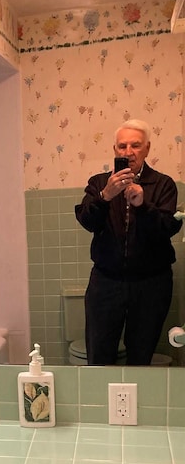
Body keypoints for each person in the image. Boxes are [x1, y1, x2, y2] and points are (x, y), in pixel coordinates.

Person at [75, 119, 181, 365]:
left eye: (135, 145)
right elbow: (87, 221)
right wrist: (105, 197)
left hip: (151, 283)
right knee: (99, 354)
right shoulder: (99, 183)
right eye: (122, 146)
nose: (128, 152)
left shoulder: (163, 184)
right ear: (115, 150)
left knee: (141, 356)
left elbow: (166, 229)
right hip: (106, 281)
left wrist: (143, 206)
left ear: (147, 149)